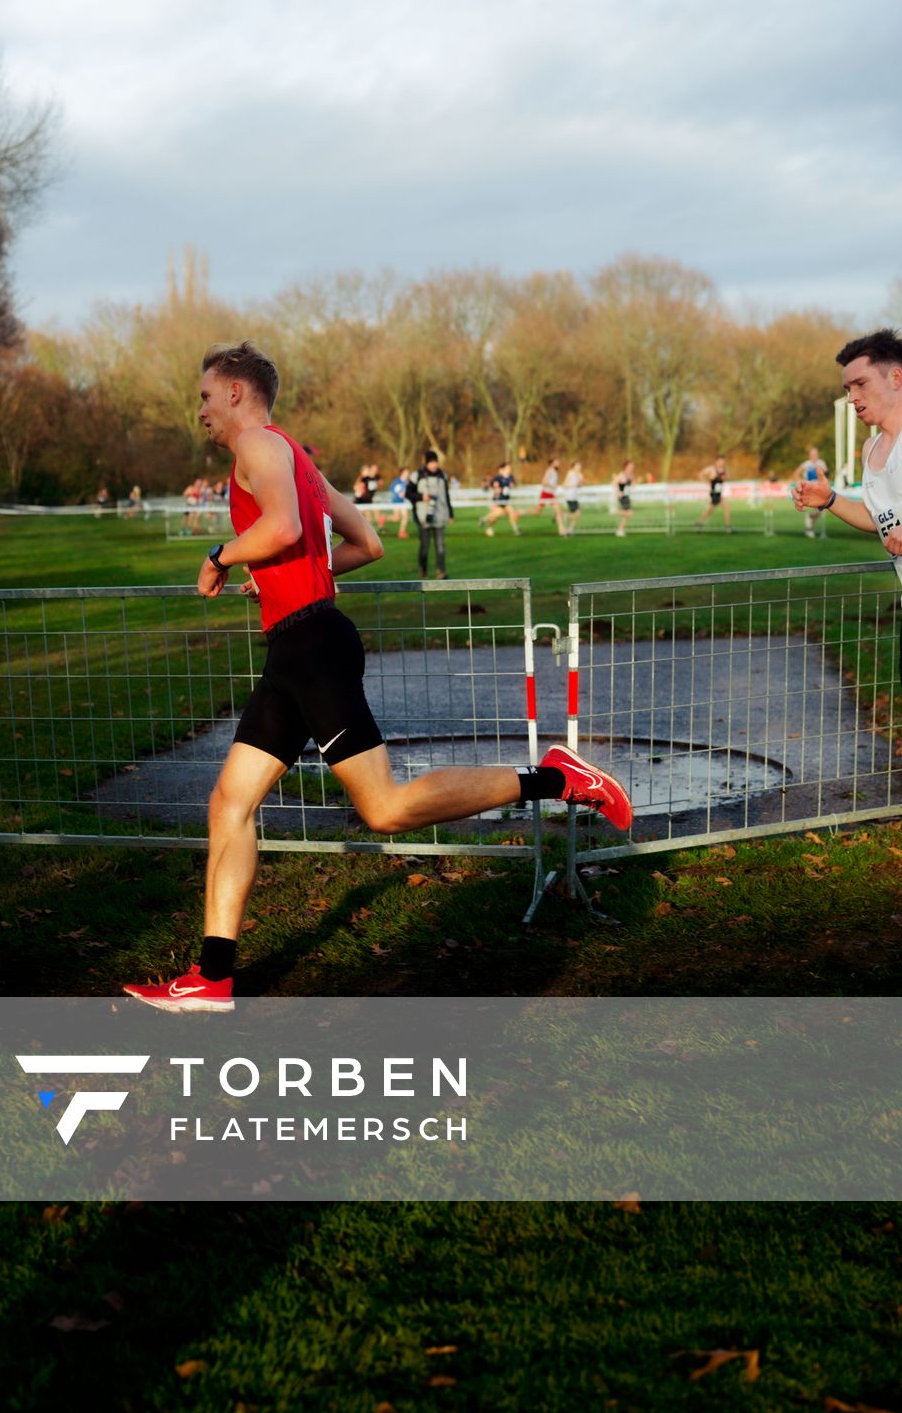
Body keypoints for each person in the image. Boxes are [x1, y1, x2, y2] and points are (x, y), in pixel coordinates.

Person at [120, 341, 634, 1012]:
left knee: (385, 808)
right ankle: (213, 977)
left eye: (206, 397)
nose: (202, 412)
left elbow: (282, 527)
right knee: (229, 803)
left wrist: (222, 556)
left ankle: (558, 778)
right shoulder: (297, 457)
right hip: (296, 647)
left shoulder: (256, 445)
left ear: (237, 392)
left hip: (312, 650)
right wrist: (277, 579)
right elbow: (367, 544)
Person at [794, 331, 902, 905]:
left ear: (896, 377)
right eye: (847, 389)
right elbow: (879, 517)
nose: (853, 398)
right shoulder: (872, 451)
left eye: (860, 384)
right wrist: (829, 502)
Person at [414, 449, 453, 579]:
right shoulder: (417, 475)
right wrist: (421, 497)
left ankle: (441, 571)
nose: (434, 465)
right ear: (426, 463)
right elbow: (409, 494)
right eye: (431, 462)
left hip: (440, 515)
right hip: (423, 516)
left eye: (435, 462)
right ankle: (423, 570)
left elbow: (446, 496)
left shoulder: (443, 476)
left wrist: (450, 513)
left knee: (441, 546)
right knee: (425, 546)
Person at [483, 462, 521, 538]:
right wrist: (496, 489)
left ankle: (485, 520)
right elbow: (492, 487)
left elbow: (513, 484)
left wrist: (512, 485)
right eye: (507, 468)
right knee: (505, 513)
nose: (509, 469)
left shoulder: (510, 477)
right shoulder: (498, 478)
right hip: (498, 500)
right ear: (502, 469)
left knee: (498, 515)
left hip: (505, 500)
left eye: (509, 468)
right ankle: (516, 530)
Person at [695, 455, 732, 531]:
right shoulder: (711, 469)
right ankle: (728, 527)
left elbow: (727, 478)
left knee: (719, 509)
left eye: (723, 462)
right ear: (716, 461)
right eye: (720, 461)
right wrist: (707, 482)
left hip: (720, 492)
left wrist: (725, 477)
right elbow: (700, 474)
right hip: (713, 492)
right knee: (712, 510)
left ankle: (699, 523)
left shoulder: (725, 469)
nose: (721, 463)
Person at [795, 447, 826, 537]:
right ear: (809, 455)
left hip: (820, 490)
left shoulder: (821, 463)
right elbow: (796, 474)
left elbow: (826, 474)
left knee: (821, 510)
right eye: (813, 454)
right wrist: (800, 483)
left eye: (816, 454)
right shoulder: (806, 464)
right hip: (809, 490)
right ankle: (809, 528)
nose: (814, 456)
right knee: (818, 508)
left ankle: (810, 524)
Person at [387, 468, 411, 540]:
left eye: (408, 472)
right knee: (396, 518)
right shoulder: (397, 481)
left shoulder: (407, 482)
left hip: (403, 502)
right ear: (402, 473)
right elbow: (391, 489)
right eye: (406, 472)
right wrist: (398, 494)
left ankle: (401, 532)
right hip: (396, 501)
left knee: (405, 516)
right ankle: (384, 518)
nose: (407, 474)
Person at [562, 460, 584, 535]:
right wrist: (574, 485)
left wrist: (580, 483)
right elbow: (565, 485)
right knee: (576, 514)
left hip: (575, 497)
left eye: (580, 465)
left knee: (577, 515)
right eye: (577, 465)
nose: (579, 467)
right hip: (570, 497)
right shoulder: (570, 473)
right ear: (573, 466)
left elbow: (580, 485)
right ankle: (563, 515)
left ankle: (570, 529)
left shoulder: (579, 474)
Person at [614, 460, 634, 538]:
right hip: (623, 496)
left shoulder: (631, 475)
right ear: (626, 466)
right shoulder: (622, 474)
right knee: (629, 513)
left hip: (627, 496)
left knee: (626, 516)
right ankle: (614, 512)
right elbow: (614, 483)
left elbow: (631, 485)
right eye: (630, 466)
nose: (632, 467)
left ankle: (619, 530)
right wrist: (618, 492)